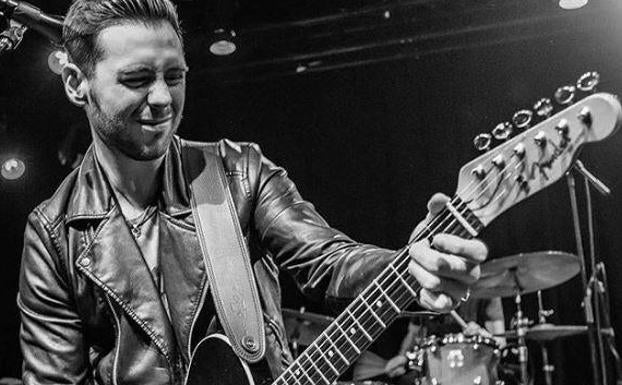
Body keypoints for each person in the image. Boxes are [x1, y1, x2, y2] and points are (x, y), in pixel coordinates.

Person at [16, 0, 488, 384]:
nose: (162, 99)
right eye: (137, 79)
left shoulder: (238, 173)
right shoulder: (55, 234)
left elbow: (330, 261)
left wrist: (411, 263)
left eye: (174, 76)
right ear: (78, 84)